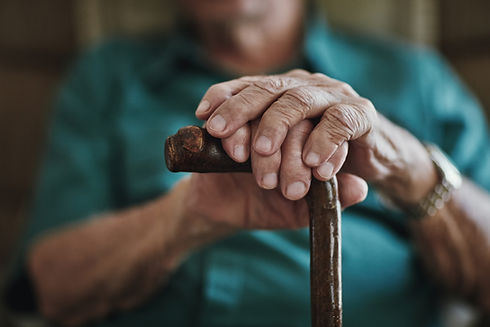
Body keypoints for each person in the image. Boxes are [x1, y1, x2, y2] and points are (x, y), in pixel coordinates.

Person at [4, 0, 490, 326]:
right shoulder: (106, 76)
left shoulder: (416, 77)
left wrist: (408, 166)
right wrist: (183, 218)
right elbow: (52, 286)